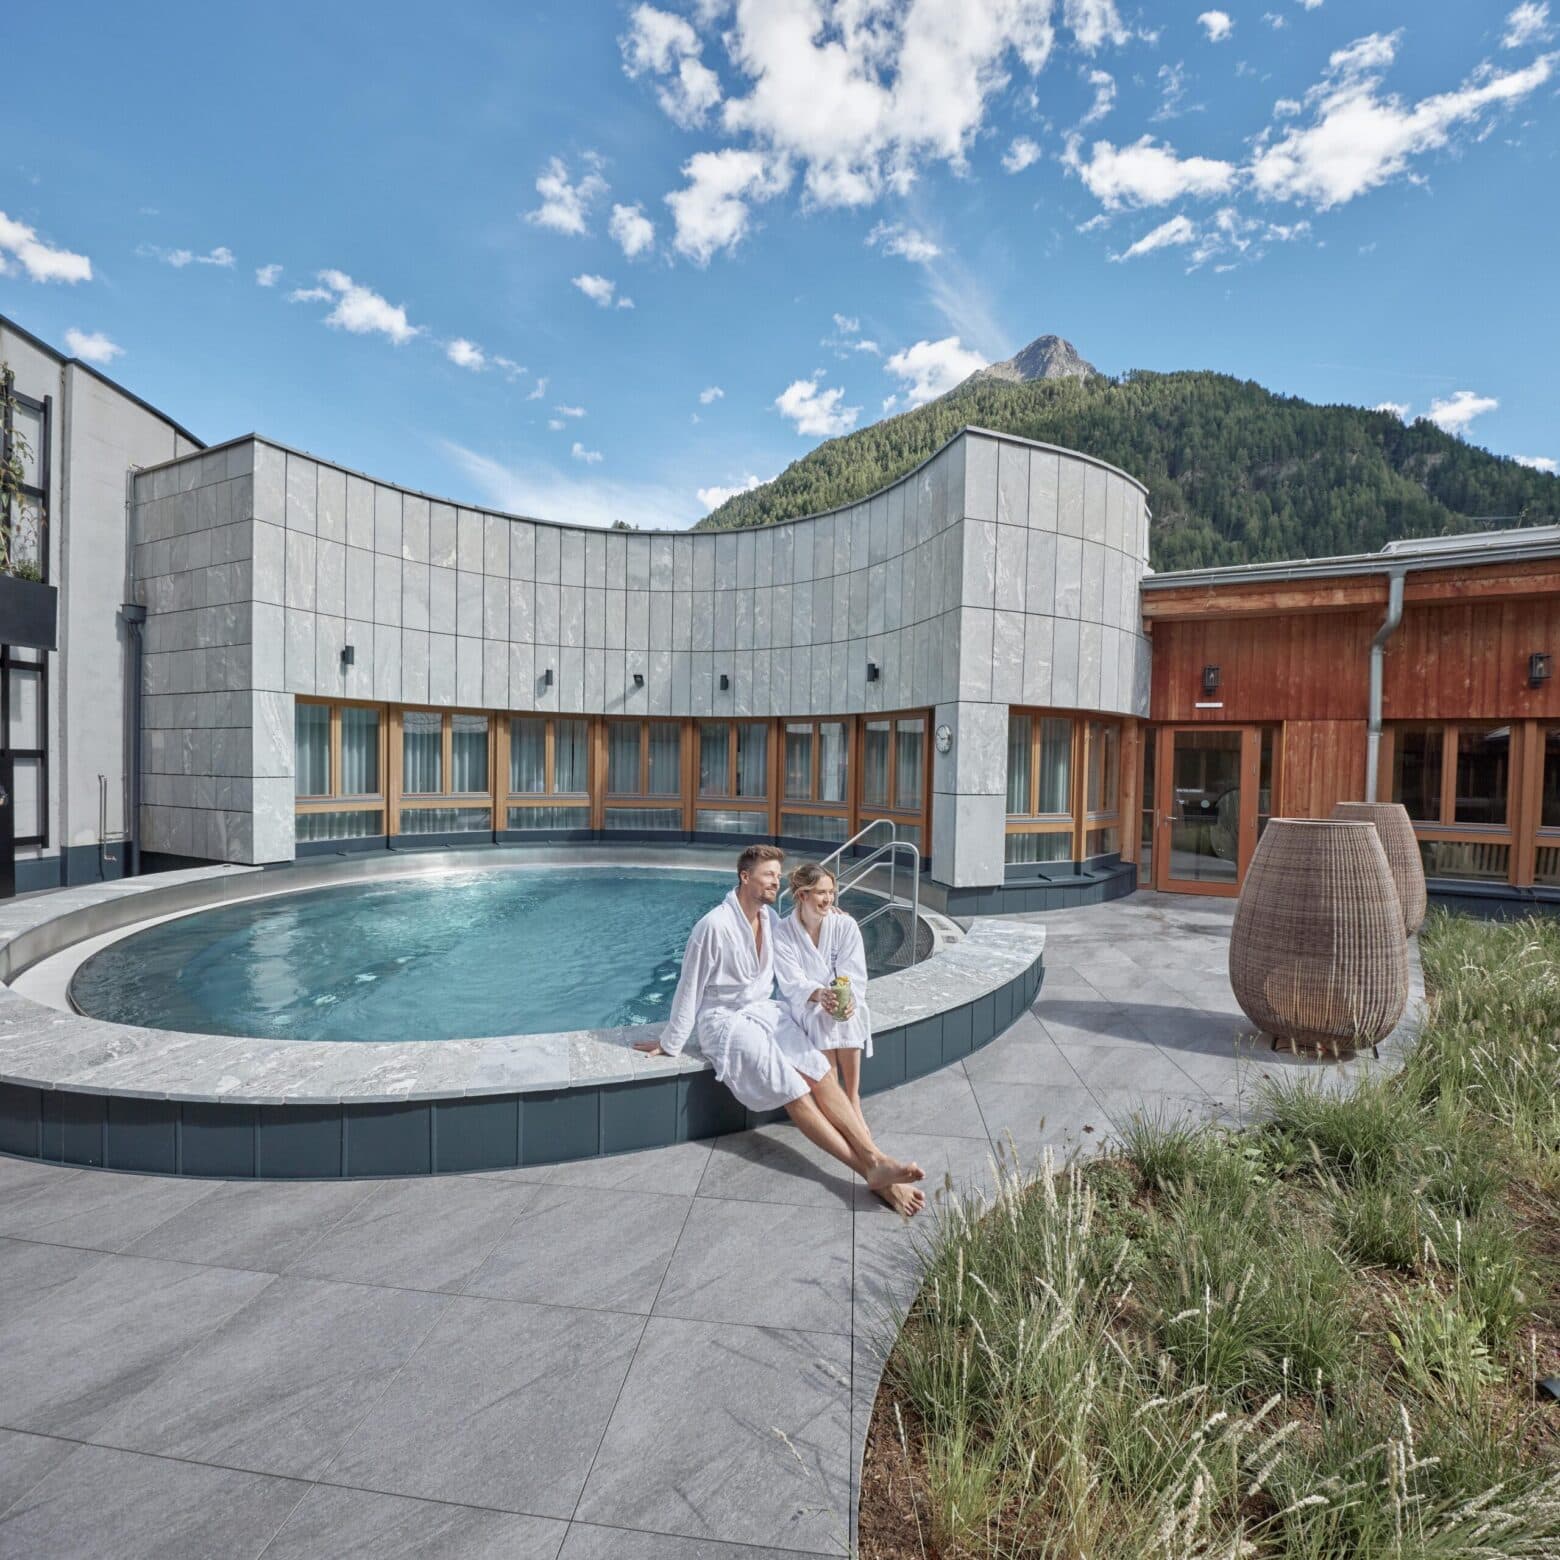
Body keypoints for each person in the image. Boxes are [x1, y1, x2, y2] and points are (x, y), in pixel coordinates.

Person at [635, 843, 925, 1216]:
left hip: (764, 1011)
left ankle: (877, 1159)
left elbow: (801, 923)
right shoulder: (713, 926)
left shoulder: (771, 919)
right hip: (725, 1021)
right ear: (745, 877)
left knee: (819, 1071)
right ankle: (870, 1170)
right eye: (769, 875)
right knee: (793, 1088)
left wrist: (828, 912)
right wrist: (671, 1041)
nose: (776, 882)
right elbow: (688, 987)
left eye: (777, 875)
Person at [772, 863, 872, 1126]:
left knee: (849, 1016)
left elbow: (854, 970)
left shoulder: (844, 925)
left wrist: (848, 998)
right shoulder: (783, 932)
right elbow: (790, 981)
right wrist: (818, 994)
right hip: (803, 1001)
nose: (828, 899)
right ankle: (833, 1098)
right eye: (821, 893)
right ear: (802, 895)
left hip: (838, 995)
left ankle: (852, 1099)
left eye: (831, 892)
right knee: (819, 1017)